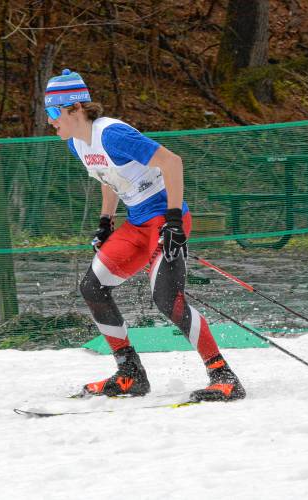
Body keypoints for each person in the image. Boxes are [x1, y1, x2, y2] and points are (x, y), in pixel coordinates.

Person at [44, 69, 245, 402]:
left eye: (53, 112)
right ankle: (130, 374)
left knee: (168, 300)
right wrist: (105, 222)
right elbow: (107, 179)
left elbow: (172, 162)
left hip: (163, 220)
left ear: (75, 108)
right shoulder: (78, 143)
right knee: (92, 287)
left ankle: (223, 376)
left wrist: (174, 221)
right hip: (137, 224)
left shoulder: (112, 134)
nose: (50, 121)